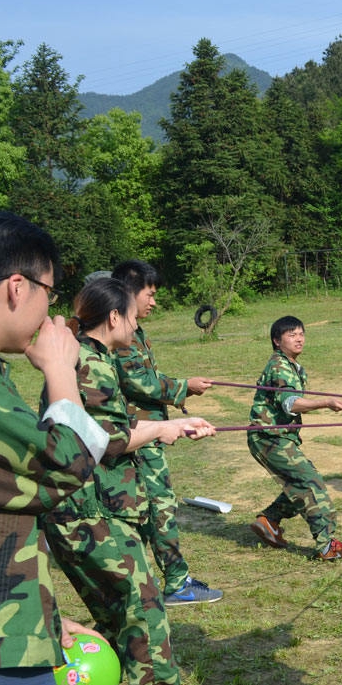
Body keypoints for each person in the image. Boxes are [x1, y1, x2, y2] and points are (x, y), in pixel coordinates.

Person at [0, 210, 110, 685]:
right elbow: (63, 467)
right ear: (18, 287)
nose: (49, 311)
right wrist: (61, 371)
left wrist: (40, 617)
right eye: (50, 293)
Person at [41, 278, 216, 685]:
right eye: (133, 319)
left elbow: (109, 425)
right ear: (115, 317)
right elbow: (105, 441)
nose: (137, 329)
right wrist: (159, 429)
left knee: (122, 621)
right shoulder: (92, 363)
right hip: (93, 512)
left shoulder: (88, 358)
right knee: (145, 619)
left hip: (89, 510)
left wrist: (173, 424)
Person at [111, 260, 222, 606]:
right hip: (138, 435)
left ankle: (147, 579)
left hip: (145, 429)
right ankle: (175, 582)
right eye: (150, 294)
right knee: (159, 506)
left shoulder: (133, 329)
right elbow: (137, 382)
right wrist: (182, 387)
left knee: (150, 507)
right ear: (130, 292)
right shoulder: (120, 332)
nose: (154, 302)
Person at [247, 316, 342, 560]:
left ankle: (268, 521)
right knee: (311, 484)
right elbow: (291, 404)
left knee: (300, 482)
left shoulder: (293, 367)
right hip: (269, 437)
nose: (299, 338)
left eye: (301, 333)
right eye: (292, 335)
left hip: (277, 437)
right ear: (277, 341)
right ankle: (326, 545)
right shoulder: (279, 367)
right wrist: (326, 402)